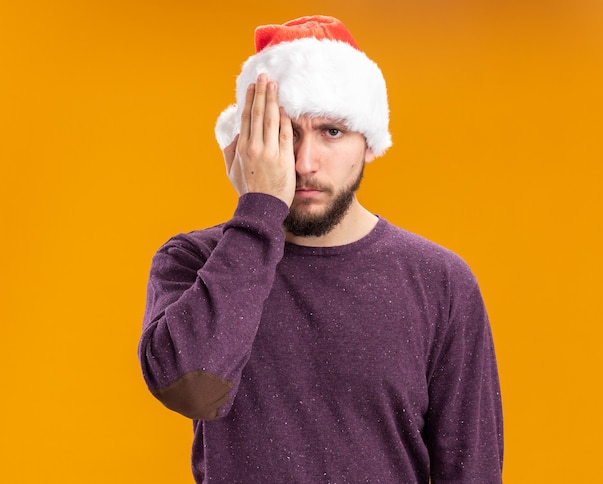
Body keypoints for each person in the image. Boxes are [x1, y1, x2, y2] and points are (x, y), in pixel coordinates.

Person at [139, 15, 503, 483]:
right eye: (285, 133)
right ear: (249, 142)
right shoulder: (193, 260)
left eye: (332, 131)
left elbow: (472, 471)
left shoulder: (441, 282)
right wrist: (258, 210)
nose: (304, 162)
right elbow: (189, 387)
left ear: (369, 143)